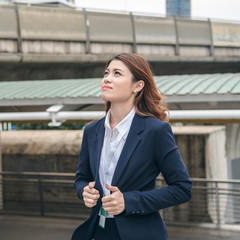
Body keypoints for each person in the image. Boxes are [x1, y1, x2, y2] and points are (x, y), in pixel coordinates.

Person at [72, 53, 192, 240]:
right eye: (106, 73)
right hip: (99, 230)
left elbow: (182, 188)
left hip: (140, 233)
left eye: (117, 73)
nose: (107, 79)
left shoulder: (156, 131)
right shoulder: (92, 131)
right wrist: (84, 191)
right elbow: (81, 178)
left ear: (138, 86)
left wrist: (128, 201)